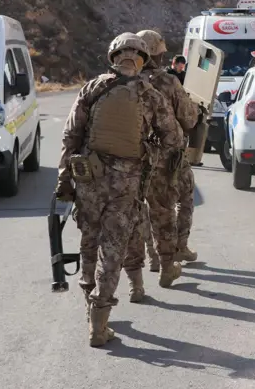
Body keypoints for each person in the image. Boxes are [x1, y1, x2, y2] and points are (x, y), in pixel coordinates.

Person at [54, 32, 182, 347]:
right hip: (127, 184)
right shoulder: (150, 95)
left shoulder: (93, 88)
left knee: (88, 243)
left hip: (89, 180)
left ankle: (90, 309)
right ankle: (99, 324)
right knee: (112, 252)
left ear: (113, 57)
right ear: (143, 61)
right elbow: (173, 139)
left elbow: (71, 136)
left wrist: (63, 180)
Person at [122, 30, 199, 303]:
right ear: (160, 53)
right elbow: (188, 119)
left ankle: (151, 258)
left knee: (138, 209)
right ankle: (172, 258)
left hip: (132, 157)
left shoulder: (125, 81)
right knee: (172, 206)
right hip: (167, 157)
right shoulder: (167, 81)